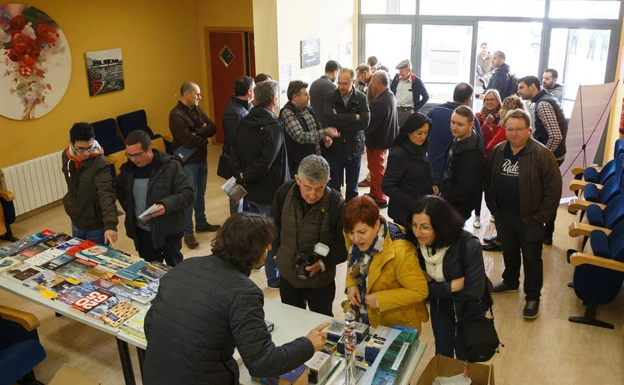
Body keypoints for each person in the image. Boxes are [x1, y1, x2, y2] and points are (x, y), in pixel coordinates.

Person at [143, 213, 330, 385]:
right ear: (254, 251)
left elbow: (150, 324)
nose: (270, 248)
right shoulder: (243, 292)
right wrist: (308, 344)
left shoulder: (185, 266)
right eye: (266, 244)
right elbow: (263, 363)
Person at [485, 109, 562, 319]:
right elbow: (489, 181)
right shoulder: (499, 151)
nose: (514, 134)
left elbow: (554, 190)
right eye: (509, 129)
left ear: (529, 130)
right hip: (503, 215)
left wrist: (540, 218)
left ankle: (533, 296)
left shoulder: (542, 154)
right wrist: (493, 208)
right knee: (509, 251)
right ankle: (510, 281)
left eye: (519, 129)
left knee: (532, 259)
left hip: (531, 218)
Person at [407, 195, 486, 360]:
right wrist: (450, 287)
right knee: (443, 354)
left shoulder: (468, 245)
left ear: (440, 226)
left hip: (467, 312)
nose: (417, 232)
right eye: (414, 225)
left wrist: (432, 288)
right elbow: (416, 288)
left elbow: (473, 291)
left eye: (424, 227)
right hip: (440, 310)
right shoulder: (417, 246)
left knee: (465, 357)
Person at [271, 155, 346, 317]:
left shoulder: (335, 203)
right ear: (297, 179)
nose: (312, 195)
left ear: (328, 181)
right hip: (288, 276)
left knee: (322, 323)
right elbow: (273, 227)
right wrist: (278, 253)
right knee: (292, 320)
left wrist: (321, 263)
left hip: (321, 282)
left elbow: (345, 246)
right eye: (307, 187)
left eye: (319, 188)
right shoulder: (284, 193)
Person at [231, 80, 287, 289]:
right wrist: (247, 174)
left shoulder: (244, 121)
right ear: (274, 100)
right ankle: (273, 278)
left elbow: (233, 151)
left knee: (254, 230)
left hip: (247, 188)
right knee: (270, 233)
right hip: (268, 189)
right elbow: (267, 161)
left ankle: (255, 263)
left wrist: (241, 174)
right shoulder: (273, 126)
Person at [344, 195, 429, 329]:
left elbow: (419, 291)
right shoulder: (353, 233)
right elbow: (352, 262)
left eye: (362, 232)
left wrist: (379, 299)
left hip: (395, 325)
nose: (355, 238)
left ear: (376, 224)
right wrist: (351, 285)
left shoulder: (401, 250)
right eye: (351, 232)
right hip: (361, 317)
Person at [115, 130, 194, 266]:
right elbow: (121, 191)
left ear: (149, 149)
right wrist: (131, 211)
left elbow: (188, 195)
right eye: (129, 155)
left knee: (174, 268)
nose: (133, 159)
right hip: (142, 234)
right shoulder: (127, 170)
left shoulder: (171, 166)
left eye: (137, 155)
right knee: (150, 271)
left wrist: (166, 205)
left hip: (168, 231)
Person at [169, 81, 220, 250]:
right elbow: (187, 140)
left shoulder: (197, 109)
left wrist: (196, 131)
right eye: (197, 94)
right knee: (190, 196)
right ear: (187, 95)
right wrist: (201, 134)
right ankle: (188, 232)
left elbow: (212, 128)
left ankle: (201, 222)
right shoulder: (176, 115)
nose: (200, 97)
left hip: (201, 158)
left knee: (201, 193)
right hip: (187, 162)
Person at [517, 75, 567, 245]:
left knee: (543, 195)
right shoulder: (548, 98)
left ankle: (543, 233)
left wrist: (543, 157)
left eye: (521, 87)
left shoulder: (543, 104)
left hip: (551, 156)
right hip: (554, 155)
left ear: (533, 86)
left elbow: (555, 136)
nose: (519, 91)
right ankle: (545, 233)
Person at [481, 96, 527, 252]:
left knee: (500, 210)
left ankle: (502, 240)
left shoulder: (505, 130)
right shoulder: (510, 130)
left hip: (498, 175)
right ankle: (501, 237)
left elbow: (489, 148)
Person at [61, 122, 118, 245]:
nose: (86, 153)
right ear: (71, 144)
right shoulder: (66, 157)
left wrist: (110, 225)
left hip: (95, 225)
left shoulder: (101, 164)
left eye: (89, 148)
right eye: (81, 149)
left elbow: (106, 194)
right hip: (76, 219)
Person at [324, 68, 370, 202]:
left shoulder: (361, 98)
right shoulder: (331, 96)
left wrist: (340, 120)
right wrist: (354, 117)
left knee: (352, 188)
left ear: (353, 82)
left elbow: (365, 122)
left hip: (354, 148)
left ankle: (351, 215)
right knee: (334, 187)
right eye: (339, 83)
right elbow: (329, 118)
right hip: (335, 148)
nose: (340, 87)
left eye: (345, 83)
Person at [382, 113, 435, 228]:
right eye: (419, 133)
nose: (423, 137)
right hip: (404, 214)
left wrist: (433, 183)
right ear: (408, 132)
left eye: (426, 133)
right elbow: (387, 186)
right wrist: (414, 204)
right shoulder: (399, 154)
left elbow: (422, 169)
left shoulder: (420, 148)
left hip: (419, 209)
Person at [280, 80, 339, 178]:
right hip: (301, 164)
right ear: (295, 97)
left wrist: (324, 137)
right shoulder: (287, 113)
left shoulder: (307, 108)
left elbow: (317, 125)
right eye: (306, 94)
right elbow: (300, 136)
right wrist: (324, 132)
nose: (309, 97)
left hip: (316, 159)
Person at [427, 83, 482, 183]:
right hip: (455, 170)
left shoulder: (434, 111)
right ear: (468, 100)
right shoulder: (470, 118)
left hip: (432, 165)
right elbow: (479, 143)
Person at [440, 106, 484, 221]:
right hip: (450, 195)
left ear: (471, 125)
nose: (454, 127)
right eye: (453, 122)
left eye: (460, 124)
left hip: (458, 205)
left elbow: (466, 187)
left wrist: (445, 200)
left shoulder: (471, 151)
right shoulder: (460, 137)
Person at [366, 71, 398, 209]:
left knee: (377, 170)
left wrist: (360, 129)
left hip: (378, 141)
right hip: (382, 139)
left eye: (373, 83)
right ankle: (374, 193)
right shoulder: (389, 95)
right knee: (374, 168)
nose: (371, 86)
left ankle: (381, 197)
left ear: (379, 82)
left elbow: (371, 124)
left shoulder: (382, 101)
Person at [223, 76, 254, 214]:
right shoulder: (232, 111)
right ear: (249, 91)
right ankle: (235, 225)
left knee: (246, 198)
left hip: (247, 161)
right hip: (237, 163)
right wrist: (238, 167)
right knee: (237, 198)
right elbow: (233, 142)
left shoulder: (249, 106)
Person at [473, 89, 503, 229]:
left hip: (497, 157)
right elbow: (477, 137)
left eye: (493, 99)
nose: (489, 102)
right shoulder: (478, 116)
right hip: (481, 156)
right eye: (487, 100)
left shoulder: (503, 117)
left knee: (493, 188)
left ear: (498, 101)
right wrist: (486, 125)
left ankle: (494, 212)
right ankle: (477, 216)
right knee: (478, 188)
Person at [390, 59, 429, 126]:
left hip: (408, 112)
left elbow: (426, 96)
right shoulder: (396, 79)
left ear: (408, 70)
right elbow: (391, 93)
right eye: (399, 71)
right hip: (395, 111)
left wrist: (415, 109)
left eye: (402, 71)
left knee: (406, 133)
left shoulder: (416, 82)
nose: (400, 73)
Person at [309, 60, 341, 129]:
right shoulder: (332, 87)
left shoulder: (313, 84)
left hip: (314, 124)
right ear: (335, 73)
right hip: (327, 126)